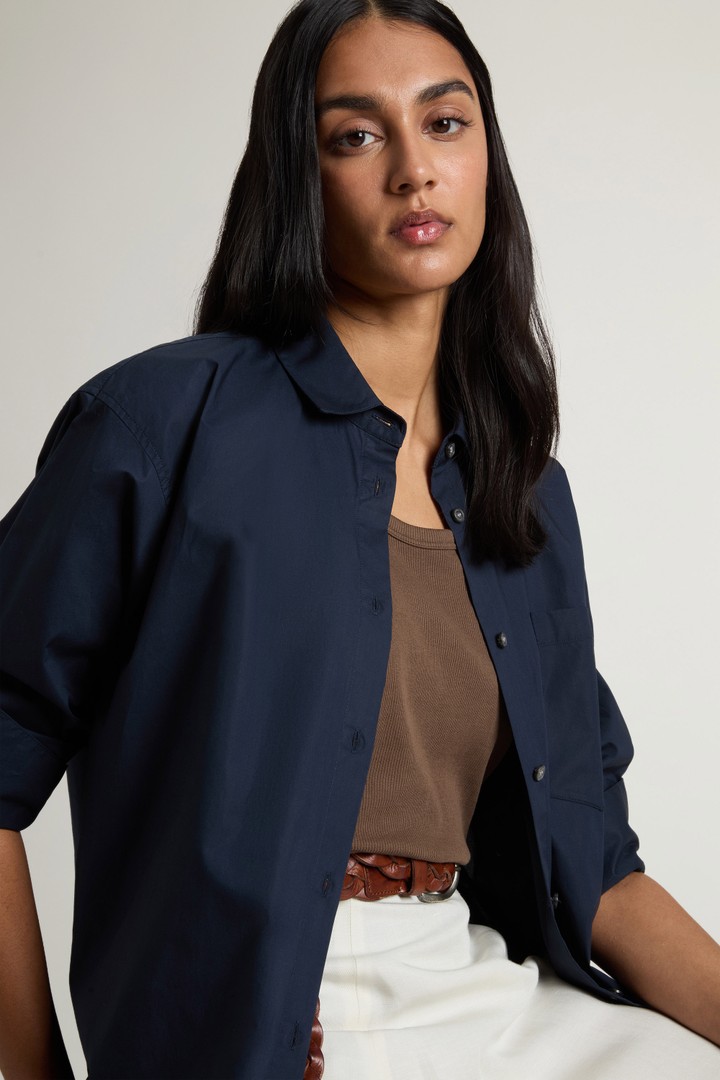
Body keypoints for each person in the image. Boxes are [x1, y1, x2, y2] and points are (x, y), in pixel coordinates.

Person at [1, 0, 719, 1076]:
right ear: (299, 176)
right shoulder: (161, 424)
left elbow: (598, 867)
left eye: (445, 123)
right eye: (356, 135)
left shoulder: (523, 492)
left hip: (476, 989)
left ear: (487, 157)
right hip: (269, 1015)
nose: (414, 171)